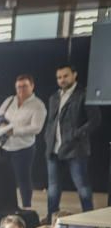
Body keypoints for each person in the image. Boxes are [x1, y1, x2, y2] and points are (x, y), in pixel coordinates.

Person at [44, 64, 101, 217]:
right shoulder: (54, 97)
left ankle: (89, 218)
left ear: (74, 75)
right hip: (54, 149)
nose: (62, 80)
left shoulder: (83, 94)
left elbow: (95, 120)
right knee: (53, 187)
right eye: (59, 77)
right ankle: (52, 219)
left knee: (82, 186)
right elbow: (51, 121)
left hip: (76, 149)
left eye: (65, 76)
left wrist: (76, 134)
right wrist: (48, 137)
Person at [0, 74, 47, 209]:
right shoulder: (10, 100)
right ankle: (8, 206)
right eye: (18, 87)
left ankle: (26, 208)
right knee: (5, 179)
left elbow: (37, 128)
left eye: (25, 86)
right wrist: (1, 125)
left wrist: (14, 130)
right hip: (5, 146)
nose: (21, 89)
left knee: (23, 179)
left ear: (32, 86)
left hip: (24, 148)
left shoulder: (38, 105)